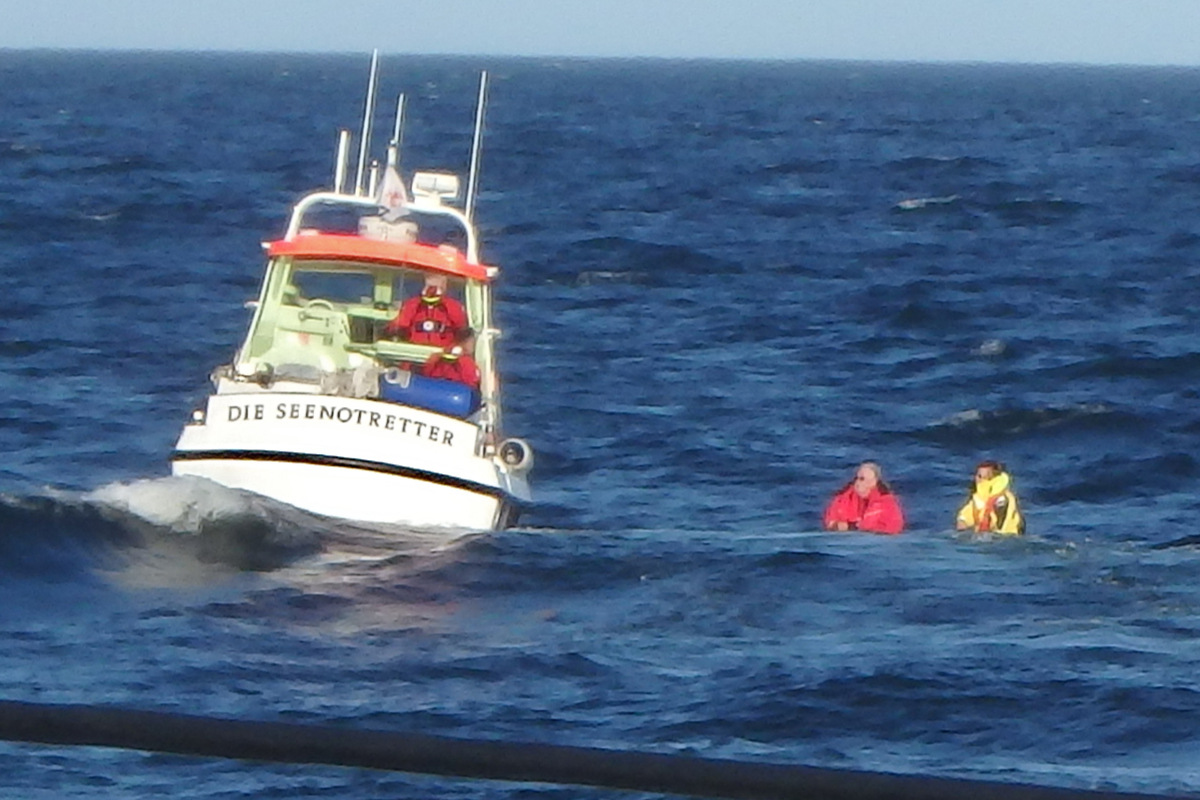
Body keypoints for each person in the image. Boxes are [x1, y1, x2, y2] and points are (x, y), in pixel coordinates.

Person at [383, 273, 467, 347]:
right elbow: (399, 325)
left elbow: (461, 328)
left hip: (441, 356)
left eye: (438, 279)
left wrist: (442, 301)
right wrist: (421, 300)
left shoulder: (453, 306)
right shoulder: (412, 304)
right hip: (414, 352)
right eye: (431, 279)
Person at [823, 461, 905, 535]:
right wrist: (836, 526)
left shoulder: (887, 503)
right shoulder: (842, 499)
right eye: (856, 478)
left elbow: (892, 528)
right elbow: (830, 522)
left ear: (874, 482)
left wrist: (852, 526)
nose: (857, 483)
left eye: (862, 479)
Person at [956, 461, 1024, 535]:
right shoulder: (979, 497)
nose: (978, 479)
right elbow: (968, 512)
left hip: (1007, 535)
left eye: (982, 476)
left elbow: (1001, 517)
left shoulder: (1003, 497)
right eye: (978, 475)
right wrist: (963, 521)